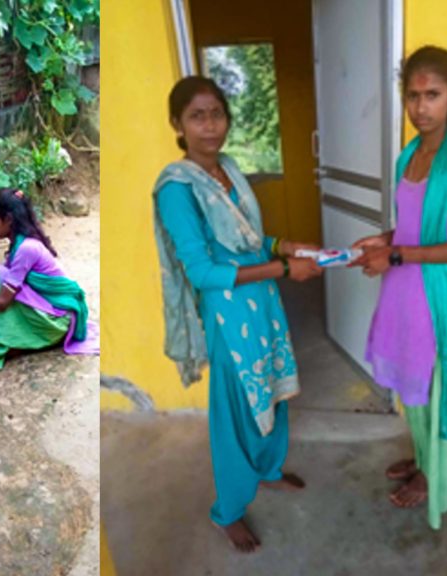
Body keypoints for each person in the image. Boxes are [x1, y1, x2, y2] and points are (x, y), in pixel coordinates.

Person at [153, 76, 323, 553]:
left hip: (262, 300)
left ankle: (267, 469)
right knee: (236, 412)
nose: (210, 126)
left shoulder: (228, 168)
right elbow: (205, 271)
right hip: (228, 316)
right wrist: (287, 267)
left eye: (217, 114)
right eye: (197, 116)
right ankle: (227, 510)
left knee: (271, 390)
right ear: (178, 125)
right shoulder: (177, 189)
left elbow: (250, 240)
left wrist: (285, 247)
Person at [351, 46, 447, 530]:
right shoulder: (408, 156)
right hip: (399, 290)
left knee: (428, 389)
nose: (421, 106)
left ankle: (432, 477)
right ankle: (420, 455)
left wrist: (397, 254)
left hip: (429, 295)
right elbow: (411, 230)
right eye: (413, 95)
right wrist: (384, 240)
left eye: (432, 94)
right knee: (411, 390)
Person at [0, 188, 98, 369]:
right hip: (47, 305)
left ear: (8, 219)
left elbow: (3, 301)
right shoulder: (20, 241)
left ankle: (44, 338)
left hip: (60, 320)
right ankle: (17, 336)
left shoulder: (26, 248)